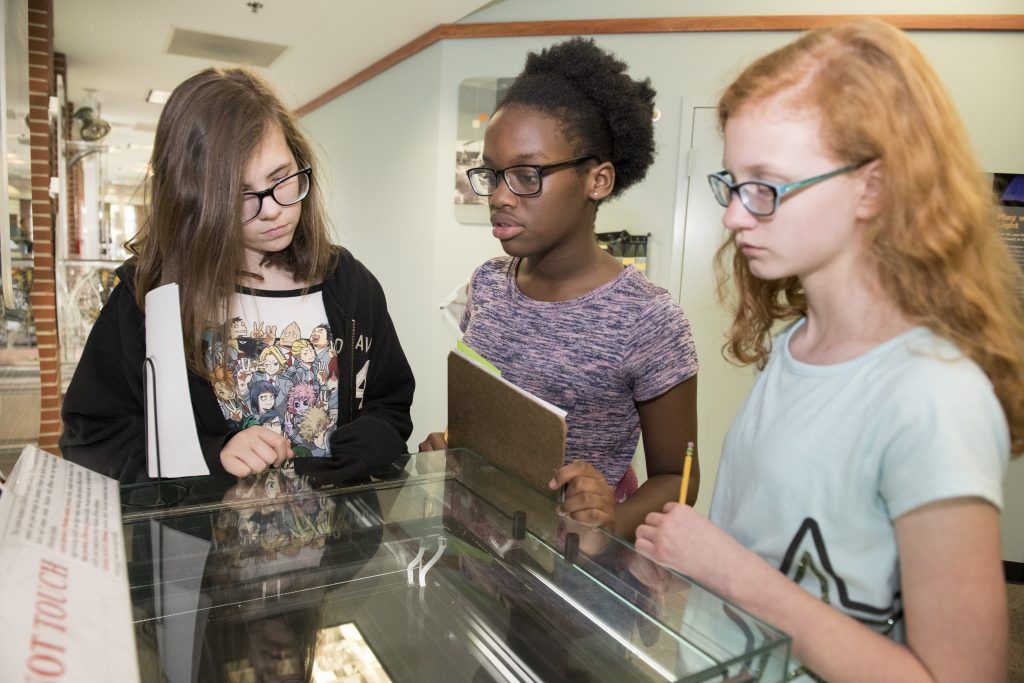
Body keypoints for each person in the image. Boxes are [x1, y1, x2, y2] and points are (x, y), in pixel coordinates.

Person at [635, 19, 1022, 681]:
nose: (733, 215)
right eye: (733, 183)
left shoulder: (934, 395)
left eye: (768, 185)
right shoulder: (796, 347)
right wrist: (693, 567)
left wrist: (728, 570)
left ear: (872, 186)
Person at [60, 67, 415, 484]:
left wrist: (363, 449)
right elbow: (92, 440)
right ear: (194, 201)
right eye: (241, 195)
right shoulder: (150, 299)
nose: (272, 209)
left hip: (337, 542)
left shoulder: (350, 284)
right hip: (207, 542)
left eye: (282, 179)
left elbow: (389, 406)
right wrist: (213, 457)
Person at [420, 38, 699, 541]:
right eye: (493, 174)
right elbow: (491, 416)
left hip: (582, 583)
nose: (501, 197)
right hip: (483, 560)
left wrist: (611, 520)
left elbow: (678, 478)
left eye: (527, 175)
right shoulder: (487, 284)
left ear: (598, 180)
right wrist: (453, 447)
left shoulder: (649, 319)